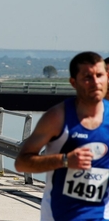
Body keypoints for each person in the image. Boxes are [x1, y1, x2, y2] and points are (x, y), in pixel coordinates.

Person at [14, 51, 109, 220]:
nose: (95, 82)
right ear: (73, 82)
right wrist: (65, 160)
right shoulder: (57, 117)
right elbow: (22, 163)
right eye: (87, 77)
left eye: (100, 75)